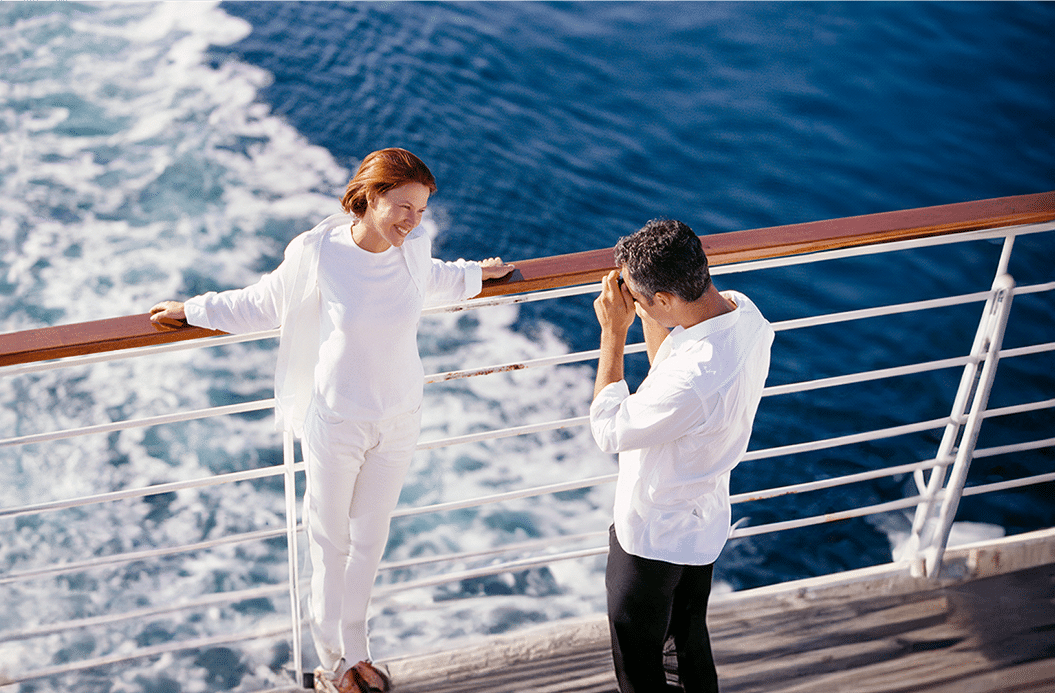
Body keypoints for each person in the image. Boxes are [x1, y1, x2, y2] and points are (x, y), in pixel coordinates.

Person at [150, 148, 514, 693]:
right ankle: (334, 664)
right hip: (337, 422)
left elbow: (434, 278)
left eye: (420, 211)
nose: (411, 222)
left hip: (398, 421)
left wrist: (477, 274)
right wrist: (193, 310)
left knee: (370, 539)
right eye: (401, 207)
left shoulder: (413, 253)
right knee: (329, 543)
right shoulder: (318, 252)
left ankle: (360, 650)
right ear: (368, 198)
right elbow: (262, 303)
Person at [589, 218, 773, 692]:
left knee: (641, 669)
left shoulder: (692, 380)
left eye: (641, 295)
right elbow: (669, 377)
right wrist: (653, 310)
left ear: (666, 299)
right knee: (688, 643)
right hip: (704, 517)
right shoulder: (747, 317)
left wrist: (614, 332)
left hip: (652, 533)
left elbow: (609, 430)